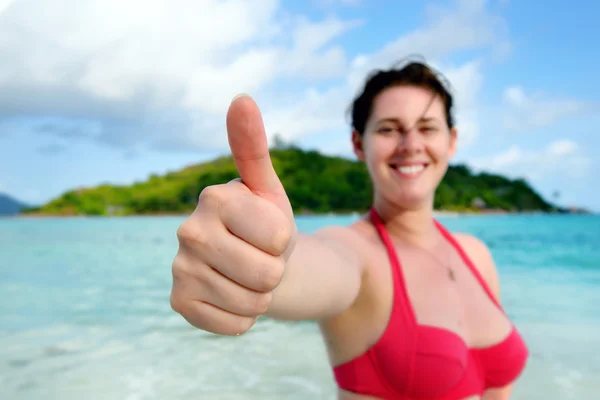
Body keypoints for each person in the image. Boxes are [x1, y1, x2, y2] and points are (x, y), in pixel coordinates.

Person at [170, 60, 529, 400]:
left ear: (451, 141)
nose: (411, 145)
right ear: (359, 144)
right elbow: (316, 269)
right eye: (389, 129)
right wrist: (266, 262)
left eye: (427, 127)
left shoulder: (476, 255)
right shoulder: (356, 250)